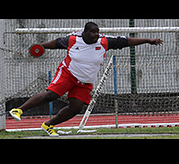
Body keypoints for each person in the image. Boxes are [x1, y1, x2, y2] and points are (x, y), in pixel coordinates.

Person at [9, 22, 163, 136]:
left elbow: (127, 41)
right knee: (52, 95)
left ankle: (48, 125)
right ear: (85, 32)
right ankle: (18, 110)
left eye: (97, 31)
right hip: (68, 73)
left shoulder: (104, 41)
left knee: (76, 108)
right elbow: (55, 43)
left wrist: (148, 40)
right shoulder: (73, 39)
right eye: (93, 32)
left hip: (85, 81)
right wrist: (40, 47)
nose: (96, 34)